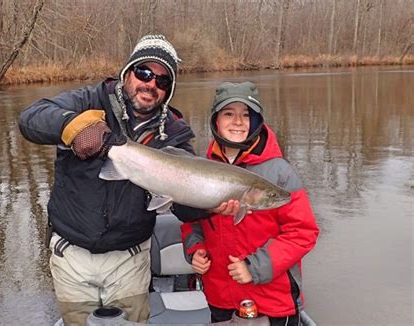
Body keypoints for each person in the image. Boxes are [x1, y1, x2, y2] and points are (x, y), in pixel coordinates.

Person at [19, 35, 203, 325]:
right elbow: (31, 118)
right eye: (144, 73)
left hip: (130, 259)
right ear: (127, 72)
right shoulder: (88, 101)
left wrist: (211, 201)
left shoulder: (174, 133)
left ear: (168, 91)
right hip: (71, 256)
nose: (151, 84)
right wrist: (72, 125)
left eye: (163, 81)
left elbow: (188, 211)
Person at [180, 82, 320, 325]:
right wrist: (195, 249)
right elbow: (192, 221)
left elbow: (303, 232)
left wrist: (254, 268)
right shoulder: (203, 168)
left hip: (272, 302)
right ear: (215, 121)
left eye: (246, 115)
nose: (238, 121)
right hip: (220, 298)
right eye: (229, 114)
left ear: (256, 121)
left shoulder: (281, 173)